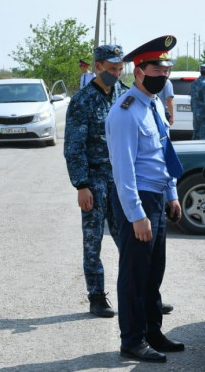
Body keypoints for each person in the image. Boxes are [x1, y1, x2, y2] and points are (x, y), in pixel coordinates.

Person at [106, 35, 185, 363]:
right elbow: (123, 170)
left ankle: (152, 332)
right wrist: (137, 214)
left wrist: (172, 193)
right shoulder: (125, 111)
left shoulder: (153, 104)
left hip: (157, 196)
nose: (163, 76)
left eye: (167, 70)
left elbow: (163, 153)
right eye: (157, 70)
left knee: (153, 272)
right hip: (137, 200)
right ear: (138, 72)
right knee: (135, 274)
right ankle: (132, 340)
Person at [64, 45, 126, 318]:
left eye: (120, 68)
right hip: (95, 178)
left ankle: (142, 293)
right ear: (98, 66)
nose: (117, 73)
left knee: (130, 240)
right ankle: (97, 296)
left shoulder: (125, 95)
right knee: (93, 241)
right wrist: (81, 185)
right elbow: (74, 147)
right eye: (112, 68)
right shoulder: (83, 100)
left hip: (122, 178)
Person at [190, 63, 205, 140]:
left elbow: (192, 100)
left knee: (196, 136)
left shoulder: (194, 83)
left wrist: (194, 111)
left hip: (196, 114)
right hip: (204, 115)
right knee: (204, 139)